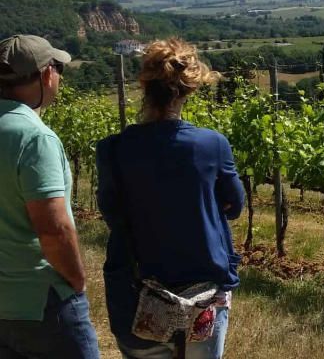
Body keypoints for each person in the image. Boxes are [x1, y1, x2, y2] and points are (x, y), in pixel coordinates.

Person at [96, 38, 245, 359]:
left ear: (144, 85)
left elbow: (112, 213)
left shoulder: (113, 149)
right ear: (189, 89)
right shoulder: (212, 145)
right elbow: (234, 206)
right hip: (202, 291)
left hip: (135, 292)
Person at [0, 34, 101, 359]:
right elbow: (54, 230)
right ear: (46, 75)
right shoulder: (33, 138)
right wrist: (77, 282)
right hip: (42, 301)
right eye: (58, 68)